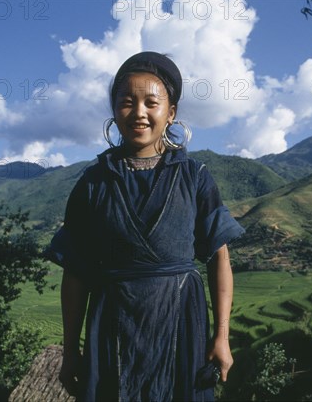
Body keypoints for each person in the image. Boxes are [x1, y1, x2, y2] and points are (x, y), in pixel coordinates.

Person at [45, 51, 245, 401]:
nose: (139, 112)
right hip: (112, 326)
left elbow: (218, 258)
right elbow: (75, 274)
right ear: (114, 111)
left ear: (171, 113)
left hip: (180, 322)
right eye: (127, 102)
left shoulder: (195, 178)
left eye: (151, 102)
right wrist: (71, 350)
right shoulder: (93, 184)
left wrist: (222, 337)